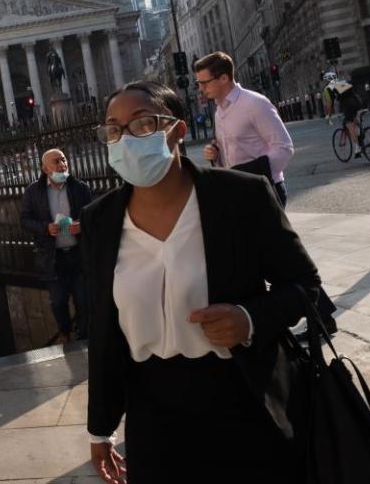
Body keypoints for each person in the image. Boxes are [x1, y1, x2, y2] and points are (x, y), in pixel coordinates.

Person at [85, 81, 324, 483]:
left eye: (142, 124)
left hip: (243, 398)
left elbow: (307, 286)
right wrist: (101, 427)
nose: (125, 139)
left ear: (178, 131)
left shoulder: (239, 196)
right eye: (113, 130)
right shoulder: (99, 219)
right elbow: (104, 331)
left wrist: (248, 319)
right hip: (154, 415)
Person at [197, 52, 295, 207]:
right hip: (235, 190)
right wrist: (216, 154)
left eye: (205, 83)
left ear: (224, 78)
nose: (201, 88)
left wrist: (252, 175)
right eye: (199, 83)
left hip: (264, 189)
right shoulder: (218, 111)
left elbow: (284, 148)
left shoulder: (255, 103)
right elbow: (230, 155)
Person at [21, 148, 93, 343]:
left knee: (83, 300)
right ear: (45, 168)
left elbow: (93, 215)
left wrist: (82, 225)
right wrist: (46, 228)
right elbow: (25, 220)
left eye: (63, 159)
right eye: (56, 161)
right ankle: (65, 332)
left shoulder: (80, 188)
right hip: (53, 258)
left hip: (78, 255)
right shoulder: (33, 192)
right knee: (58, 302)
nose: (62, 164)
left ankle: (84, 336)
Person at [325, 76, 364, 158]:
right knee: (354, 120)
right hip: (357, 101)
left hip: (348, 106)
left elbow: (330, 104)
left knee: (349, 124)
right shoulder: (342, 82)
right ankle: (360, 135)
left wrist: (329, 116)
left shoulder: (328, 89)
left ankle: (358, 148)